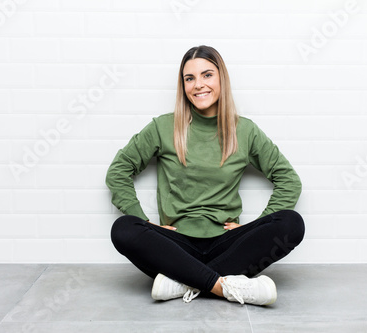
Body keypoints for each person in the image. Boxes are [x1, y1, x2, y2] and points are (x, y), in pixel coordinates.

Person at [106, 45, 305, 306]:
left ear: (221, 78)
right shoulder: (163, 127)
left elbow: (289, 180)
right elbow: (118, 171)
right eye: (190, 78)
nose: (198, 85)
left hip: (227, 241)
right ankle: (224, 286)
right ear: (183, 85)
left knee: (292, 223)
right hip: (175, 243)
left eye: (207, 75)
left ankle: (182, 281)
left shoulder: (244, 130)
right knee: (123, 229)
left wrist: (253, 226)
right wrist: (145, 221)